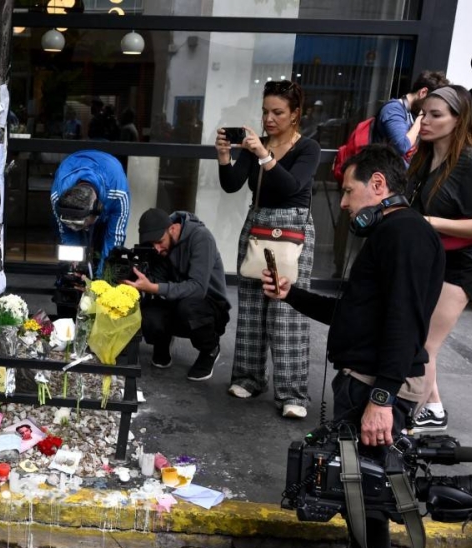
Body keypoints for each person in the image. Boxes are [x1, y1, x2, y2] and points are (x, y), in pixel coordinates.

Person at [265, 145, 444, 548]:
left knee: (371, 500)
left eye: (348, 190)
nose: (343, 202)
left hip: (376, 388)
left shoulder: (405, 234)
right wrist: (291, 294)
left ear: (380, 185)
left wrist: (383, 399)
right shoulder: (391, 233)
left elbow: (403, 322)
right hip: (365, 383)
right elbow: (356, 313)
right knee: (354, 494)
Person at [216, 80, 321, 419]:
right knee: (250, 304)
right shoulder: (255, 145)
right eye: (265, 111)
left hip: (293, 226)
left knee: (287, 308)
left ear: (295, 114)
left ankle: (292, 394)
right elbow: (232, 185)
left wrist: (264, 155)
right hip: (257, 222)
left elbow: (291, 186)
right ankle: (248, 377)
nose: (269, 118)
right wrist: (224, 157)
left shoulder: (308, 148)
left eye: (278, 112)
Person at [406, 85, 472, 433]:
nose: (425, 121)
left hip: (464, 262)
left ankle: (416, 411)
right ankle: (432, 406)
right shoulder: (426, 155)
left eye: (435, 115)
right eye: (422, 114)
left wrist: (431, 222)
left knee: (424, 343)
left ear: (458, 120)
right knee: (419, 338)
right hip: (434, 257)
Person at [124, 208, 231, 382]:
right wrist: (135, 282)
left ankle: (209, 349)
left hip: (209, 305)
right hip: (178, 302)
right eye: (152, 245)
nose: (157, 249)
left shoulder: (201, 237)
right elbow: (157, 281)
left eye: (159, 242)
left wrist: (153, 287)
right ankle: (162, 342)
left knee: (188, 307)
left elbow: (197, 288)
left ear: (173, 229)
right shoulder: (159, 248)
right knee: (147, 311)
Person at [51, 149, 130, 274]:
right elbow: (66, 233)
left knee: (106, 253)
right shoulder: (57, 195)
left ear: (97, 209)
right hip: (72, 165)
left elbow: (114, 241)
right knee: (70, 259)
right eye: (70, 223)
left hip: (109, 178)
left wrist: (102, 280)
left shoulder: (118, 193)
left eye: (78, 224)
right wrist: (73, 263)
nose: (74, 227)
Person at [373, 70, 448, 164]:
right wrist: (421, 117)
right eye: (431, 101)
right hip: (384, 172)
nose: (432, 107)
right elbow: (402, 146)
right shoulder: (393, 109)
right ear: (423, 92)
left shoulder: (411, 113)